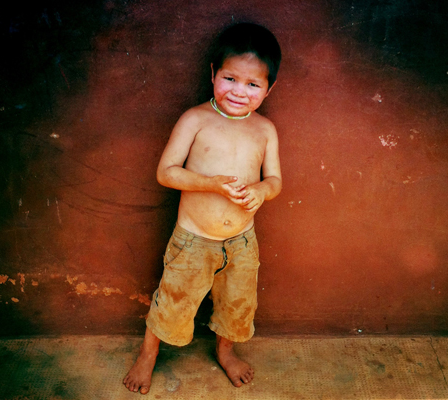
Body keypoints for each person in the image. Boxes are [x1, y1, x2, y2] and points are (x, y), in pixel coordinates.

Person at [123, 23, 282, 395]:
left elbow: (275, 180)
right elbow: (166, 172)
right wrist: (211, 183)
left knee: (237, 305)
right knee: (172, 301)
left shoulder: (265, 129)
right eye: (230, 78)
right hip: (193, 240)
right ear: (213, 73)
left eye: (253, 84)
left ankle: (226, 352)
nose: (239, 91)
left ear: (269, 88)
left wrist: (262, 190)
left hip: (242, 242)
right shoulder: (195, 119)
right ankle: (148, 354)